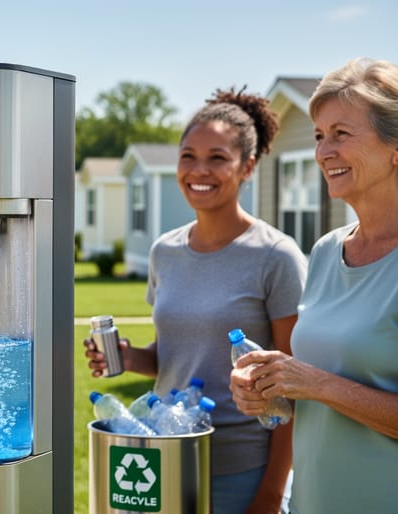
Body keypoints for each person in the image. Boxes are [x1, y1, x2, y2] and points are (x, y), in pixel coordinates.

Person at [84, 88, 307, 513]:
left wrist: (271, 493)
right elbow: (172, 355)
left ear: (248, 167)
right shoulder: (164, 251)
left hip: (240, 469)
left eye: (218, 157)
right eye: (188, 155)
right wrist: (129, 358)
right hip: (163, 455)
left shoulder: (275, 256)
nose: (198, 170)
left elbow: (293, 391)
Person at [230, 57, 398, 513]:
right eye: (320, 136)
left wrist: (316, 383)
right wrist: (276, 389)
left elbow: (326, 384)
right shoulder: (325, 251)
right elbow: (324, 393)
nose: (323, 152)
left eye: (342, 134)